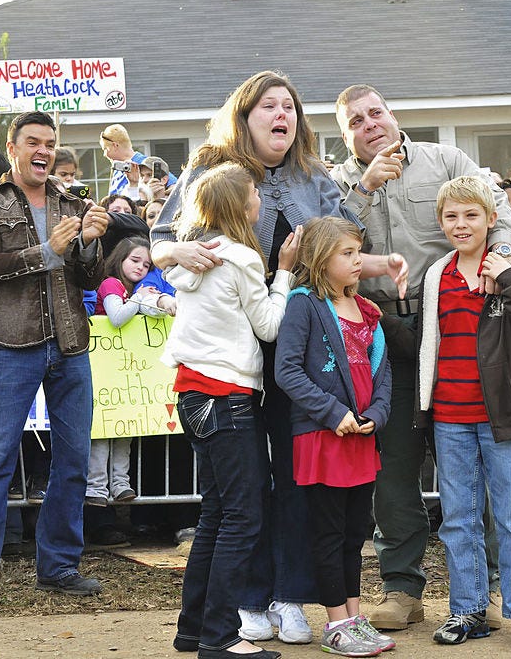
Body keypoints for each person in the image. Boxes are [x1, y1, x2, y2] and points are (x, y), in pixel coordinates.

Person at [152, 71, 405, 646]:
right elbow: (159, 238)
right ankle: (248, 601)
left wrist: (382, 258)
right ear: (245, 115)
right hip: (233, 351)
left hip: (300, 342)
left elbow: (343, 245)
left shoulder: (313, 175)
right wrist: (177, 249)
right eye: (268, 105)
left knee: (298, 476)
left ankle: (293, 595)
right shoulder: (211, 168)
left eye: (288, 106)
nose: (280, 114)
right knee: (244, 491)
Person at [330, 83, 511, 631]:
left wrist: (500, 261)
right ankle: (402, 588)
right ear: (346, 135)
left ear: (393, 115)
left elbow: (504, 219)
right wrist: (361, 192)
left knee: (471, 465)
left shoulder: (446, 159)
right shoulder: (339, 183)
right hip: (376, 332)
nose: (371, 125)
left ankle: (481, 588)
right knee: (391, 468)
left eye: (377, 113)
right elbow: (322, 247)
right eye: (357, 122)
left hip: (453, 327)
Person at [0, 110, 110, 614]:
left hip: (69, 344)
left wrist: (87, 242)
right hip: (12, 344)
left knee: (75, 460)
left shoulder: (71, 201)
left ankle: (58, 567)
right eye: (33, 142)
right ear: (12, 148)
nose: (43, 151)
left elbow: (88, 275)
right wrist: (45, 249)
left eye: (50, 143)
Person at [163, 162, 289, 659]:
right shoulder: (240, 257)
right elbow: (269, 325)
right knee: (242, 518)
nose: (260, 199)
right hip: (228, 396)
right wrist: (288, 276)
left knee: (217, 514)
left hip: (193, 394)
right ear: (241, 206)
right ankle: (219, 637)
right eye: (254, 193)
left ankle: (193, 628)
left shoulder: (194, 257)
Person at [417, 176, 511, 650]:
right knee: (458, 518)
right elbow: (429, 343)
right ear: (441, 223)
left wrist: (508, 280)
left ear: (491, 220)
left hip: (505, 415)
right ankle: (468, 608)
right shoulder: (437, 275)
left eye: (471, 215)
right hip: (450, 416)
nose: (461, 224)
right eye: (451, 216)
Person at [275, 217, 395, 657]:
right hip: (322, 441)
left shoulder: (367, 311)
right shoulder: (303, 304)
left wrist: (377, 416)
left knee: (352, 536)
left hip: (361, 440)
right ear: (321, 258)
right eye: (347, 253)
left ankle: (354, 617)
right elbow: (287, 370)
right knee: (327, 535)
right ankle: (336, 624)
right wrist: (333, 413)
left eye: (358, 251)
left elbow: (382, 374)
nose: (357, 260)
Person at [85, 237, 167, 511]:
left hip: (122, 375)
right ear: (119, 259)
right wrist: (139, 300)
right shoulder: (111, 284)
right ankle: (96, 486)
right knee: (103, 431)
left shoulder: (133, 290)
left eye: (146, 264)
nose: (141, 268)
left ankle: (121, 484)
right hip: (105, 371)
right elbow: (116, 317)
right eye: (135, 260)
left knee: (125, 429)